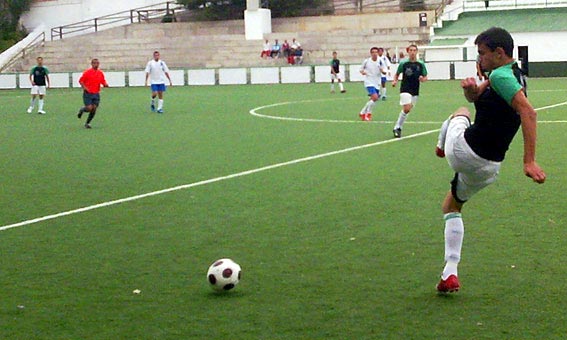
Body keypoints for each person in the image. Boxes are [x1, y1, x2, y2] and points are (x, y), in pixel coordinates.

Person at [435, 27, 546, 294]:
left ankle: (440, 146)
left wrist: (529, 161)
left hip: (464, 152)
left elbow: (529, 113)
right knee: (451, 204)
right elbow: (477, 96)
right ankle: (450, 272)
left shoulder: (500, 75)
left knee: (460, 113)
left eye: (482, 53)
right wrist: (471, 90)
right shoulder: (511, 74)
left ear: (499, 53)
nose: (479, 58)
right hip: (488, 167)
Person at [391, 44, 428, 138]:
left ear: (416, 52)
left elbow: (425, 76)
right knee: (407, 108)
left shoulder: (421, 64)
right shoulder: (403, 63)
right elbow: (397, 74)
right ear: (408, 52)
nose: (412, 52)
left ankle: (398, 126)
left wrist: (422, 79)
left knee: (407, 110)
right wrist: (395, 81)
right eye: (410, 50)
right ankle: (397, 127)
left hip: (415, 89)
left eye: (414, 50)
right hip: (405, 88)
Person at [77, 58, 109, 129]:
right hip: (88, 93)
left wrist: (105, 84)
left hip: (96, 93)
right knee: (89, 108)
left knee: (94, 108)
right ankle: (82, 110)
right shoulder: (87, 72)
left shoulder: (100, 73)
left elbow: (102, 81)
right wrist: (84, 87)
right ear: (92, 64)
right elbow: (81, 81)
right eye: (94, 63)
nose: (96, 65)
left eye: (97, 63)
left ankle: (87, 123)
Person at [358, 47, 386, 121]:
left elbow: (385, 71)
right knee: (375, 97)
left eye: (376, 52)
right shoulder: (366, 61)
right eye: (373, 52)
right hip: (369, 82)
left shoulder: (380, 61)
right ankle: (368, 114)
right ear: (371, 53)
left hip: (377, 82)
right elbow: (361, 69)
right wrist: (363, 72)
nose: (374, 53)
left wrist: (382, 71)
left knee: (373, 99)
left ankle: (362, 112)